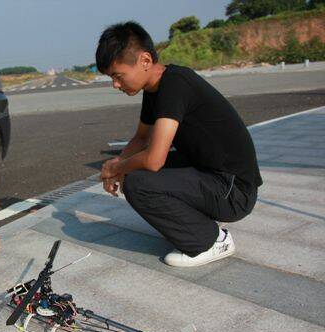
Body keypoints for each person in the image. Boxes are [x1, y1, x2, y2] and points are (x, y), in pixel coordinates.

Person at [96, 22, 262, 267]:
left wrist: (117, 169)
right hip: (215, 175)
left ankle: (210, 241)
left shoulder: (175, 85)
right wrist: (119, 163)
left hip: (234, 190)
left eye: (118, 76)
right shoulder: (155, 89)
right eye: (112, 78)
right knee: (136, 170)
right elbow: (141, 138)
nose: (115, 85)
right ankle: (199, 223)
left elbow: (154, 159)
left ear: (144, 60)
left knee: (139, 182)